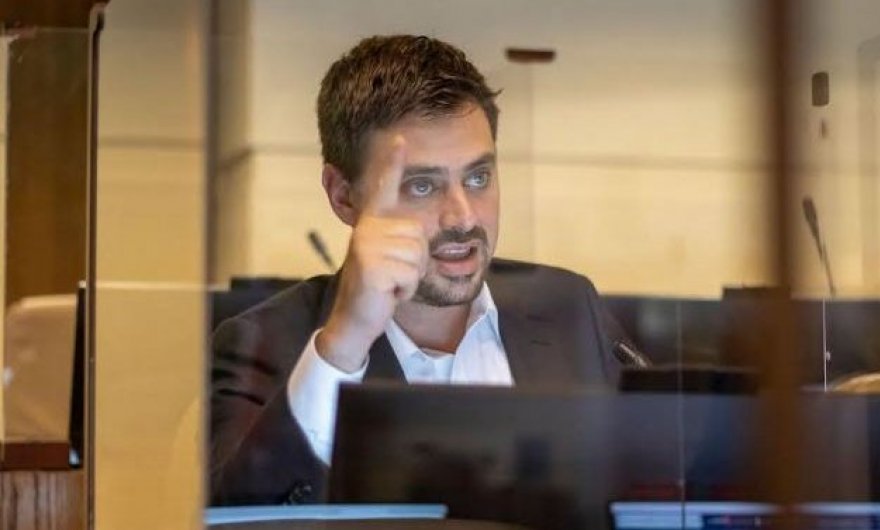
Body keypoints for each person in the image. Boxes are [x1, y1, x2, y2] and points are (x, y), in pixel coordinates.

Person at [210, 34, 637, 506]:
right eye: (421, 186)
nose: (463, 217)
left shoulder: (567, 306)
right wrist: (344, 346)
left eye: (478, 177)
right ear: (343, 195)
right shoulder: (260, 342)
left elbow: (661, 481)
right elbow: (237, 513)